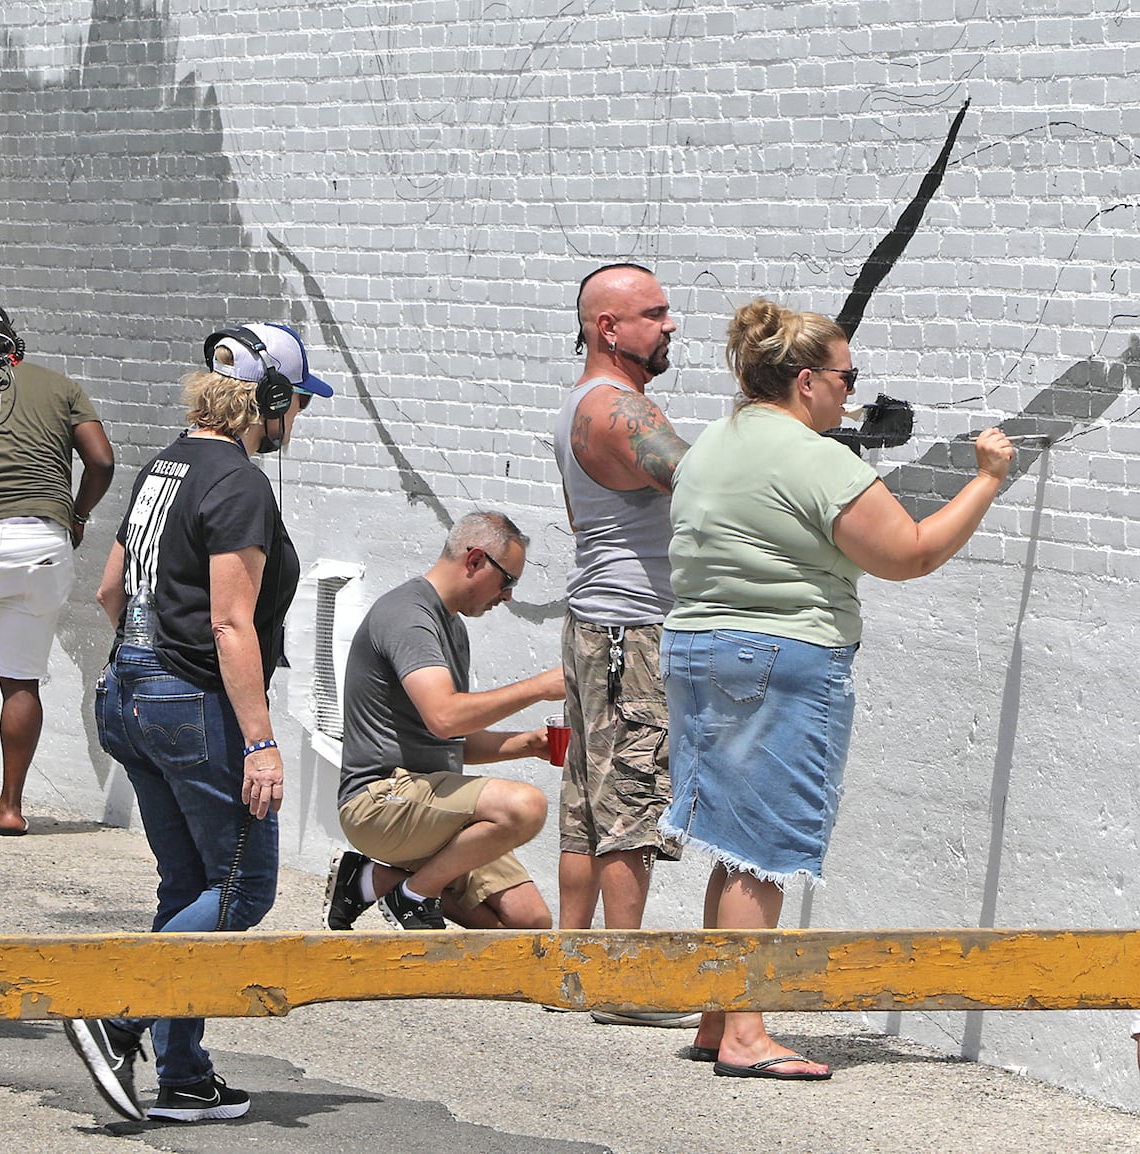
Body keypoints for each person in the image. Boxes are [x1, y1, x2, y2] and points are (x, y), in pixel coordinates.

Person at [661, 298, 1014, 1080]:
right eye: (847, 377)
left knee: (728, 838)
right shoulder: (816, 457)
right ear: (808, 381)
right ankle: (748, 1035)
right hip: (779, 658)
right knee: (763, 850)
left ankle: (723, 1016)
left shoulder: (711, 444)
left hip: (694, 649)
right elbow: (910, 554)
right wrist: (987, 480)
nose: (852, 393)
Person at [65, 322, 332, 1124]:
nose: (298, 422)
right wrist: (259, 740)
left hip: (130, 690)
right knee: (245, 886)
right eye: (297, 404)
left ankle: (182, 1071)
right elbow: (229, 623)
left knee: (189, 885)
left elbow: (112, 590)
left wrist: (145, 667)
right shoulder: (240, 483)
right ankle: (116, 1014)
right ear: (271, 400)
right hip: (191, 702)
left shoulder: (163, 464)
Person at [554, 263, 695, 1028]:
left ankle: (569, 970)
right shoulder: (617, 411)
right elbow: (702, 482)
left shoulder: (582, 404)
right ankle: (623, 984)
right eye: (656, 313)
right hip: (630, 629)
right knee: (632, 802)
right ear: (609, 327)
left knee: (586, 799)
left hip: (594, 622)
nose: (670, 325)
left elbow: (584, 525)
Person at [324, 511, 565, 932]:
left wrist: (528, 744)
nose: (507, 596)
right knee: (525, 807)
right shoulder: (408, 615)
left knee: (529, 923)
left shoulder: (452, 627)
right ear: (474, 560)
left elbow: (449, 741)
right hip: (379, 799)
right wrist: (540, 687)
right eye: (507, 580)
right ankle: (414, 893)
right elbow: (444, 717)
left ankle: (373, 881)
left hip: (430, 802)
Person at [0, 297, 114, 835]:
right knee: (21, 682)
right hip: (43, 542)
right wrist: (77, 512)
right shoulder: (60, 385)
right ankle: (10, 807)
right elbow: (102, 460)